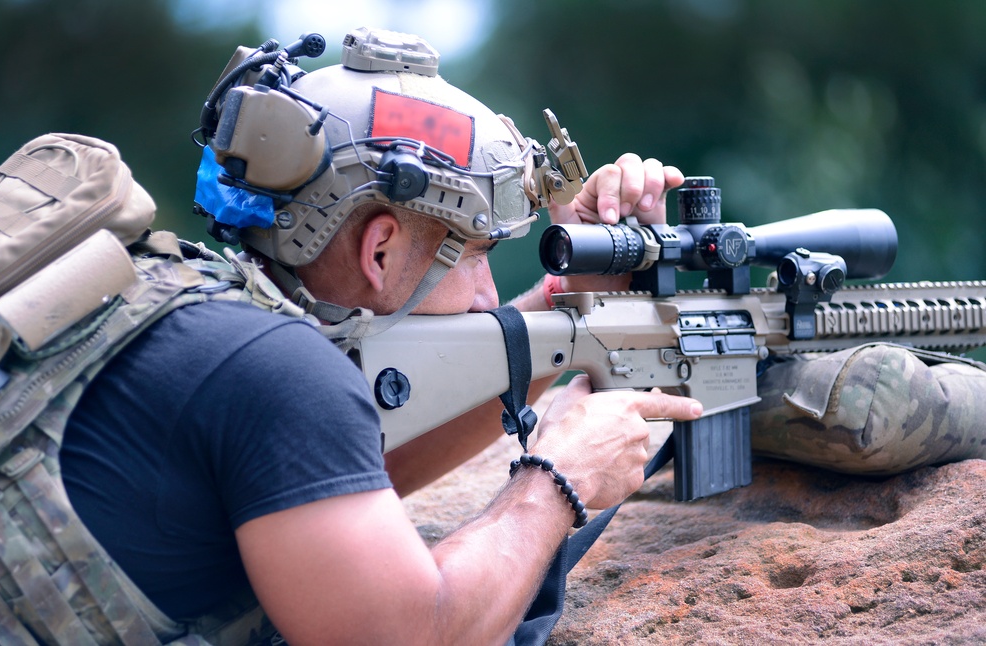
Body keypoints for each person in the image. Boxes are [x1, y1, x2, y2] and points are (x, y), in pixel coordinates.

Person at [57, 27, 703, 645]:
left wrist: (573, 297)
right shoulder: (285, 375)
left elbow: (337, 485)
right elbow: (416, 633)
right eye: (476, 254)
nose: (486, 293)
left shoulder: (193, 303)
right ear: (382, 251)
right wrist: (558, 479)